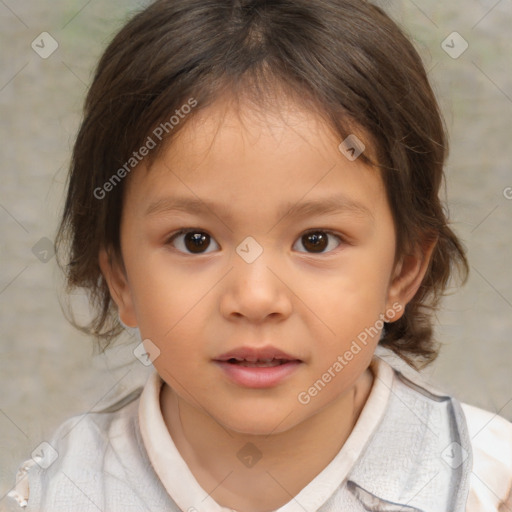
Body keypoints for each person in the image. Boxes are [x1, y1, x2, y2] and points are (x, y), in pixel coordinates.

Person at [7, 0, 512, 510]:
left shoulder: (485, 485)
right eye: (194, 240)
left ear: (402, 272)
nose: (254, 298)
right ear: (119, 276)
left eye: (316, 241)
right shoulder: (60, 490)